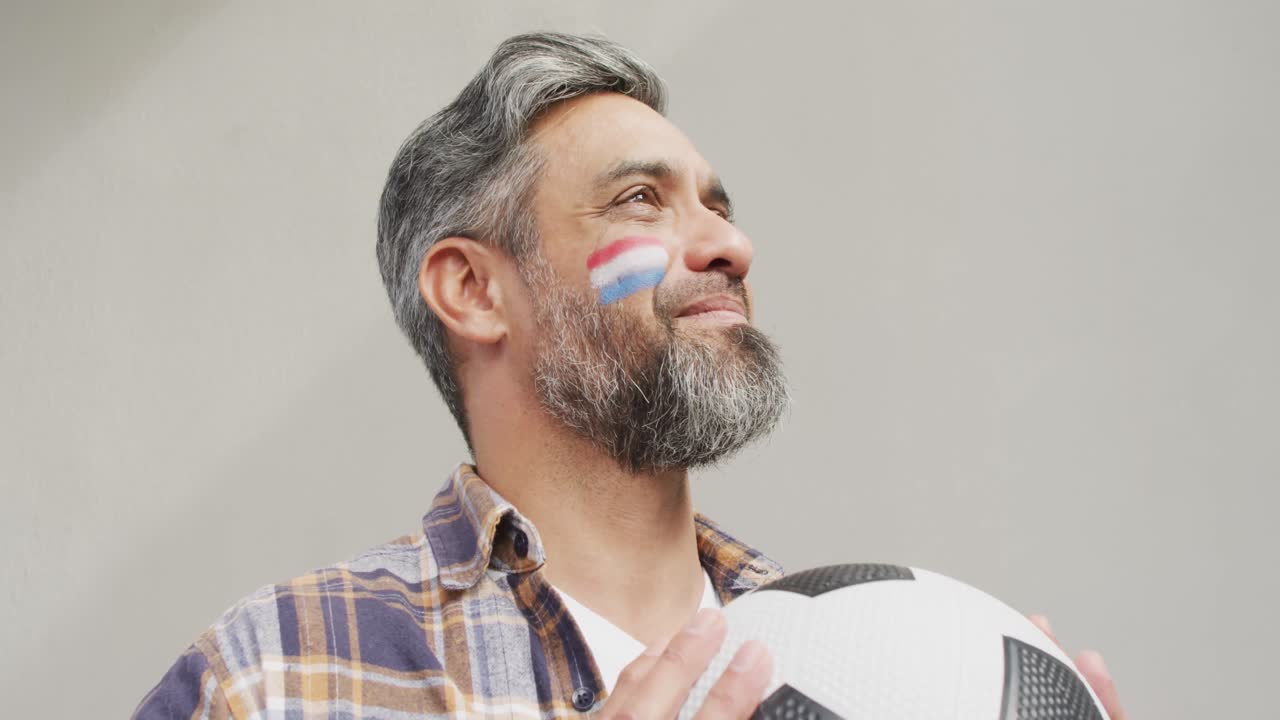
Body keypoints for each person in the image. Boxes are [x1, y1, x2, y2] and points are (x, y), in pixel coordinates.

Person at [133, 32, 1126, 719]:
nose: (730, 244)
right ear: (475, 290)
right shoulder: (280, 674)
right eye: (641, 200)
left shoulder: (889, 660)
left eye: (718, 205)